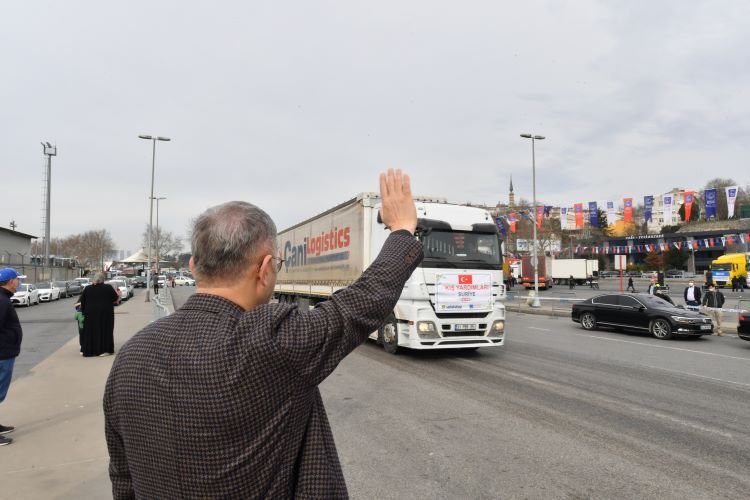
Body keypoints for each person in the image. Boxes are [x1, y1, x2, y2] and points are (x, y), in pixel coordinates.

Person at [103, 169, 423, 498]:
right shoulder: (269, 339)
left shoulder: (129, 358)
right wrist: (401, 230)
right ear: (265, 268)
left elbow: (123, 477)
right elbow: (360, 304)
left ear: (194, 267)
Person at [0, 268, 23, 446]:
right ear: (9, 281)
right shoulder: (2, 301)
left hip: (6, 351)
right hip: (3, 353)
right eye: (17, 279)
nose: (19, 282)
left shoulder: (4, 298)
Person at [79, 272, 118, 357]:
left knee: (91, 331)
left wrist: (83, 311)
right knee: (105, 331)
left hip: (90, 313)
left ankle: (90, 351)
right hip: (105, 313)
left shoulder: (88, 288)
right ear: (103, 280)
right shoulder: (108, 288)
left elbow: (82, 301)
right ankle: (105, 350)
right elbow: (115, 297)